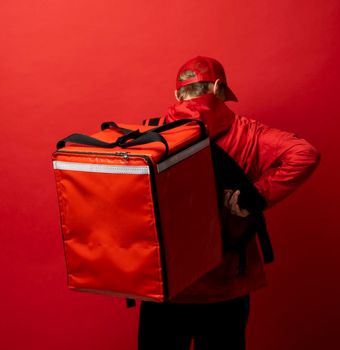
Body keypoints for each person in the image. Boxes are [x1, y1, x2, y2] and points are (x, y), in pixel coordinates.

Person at [137, 56, 321, 350]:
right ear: (220, 87)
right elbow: (305, 153)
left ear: (176, 95)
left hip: (165, 288)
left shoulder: (150, 135)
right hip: (227, 287)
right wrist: (255, 197)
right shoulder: (251, 134)